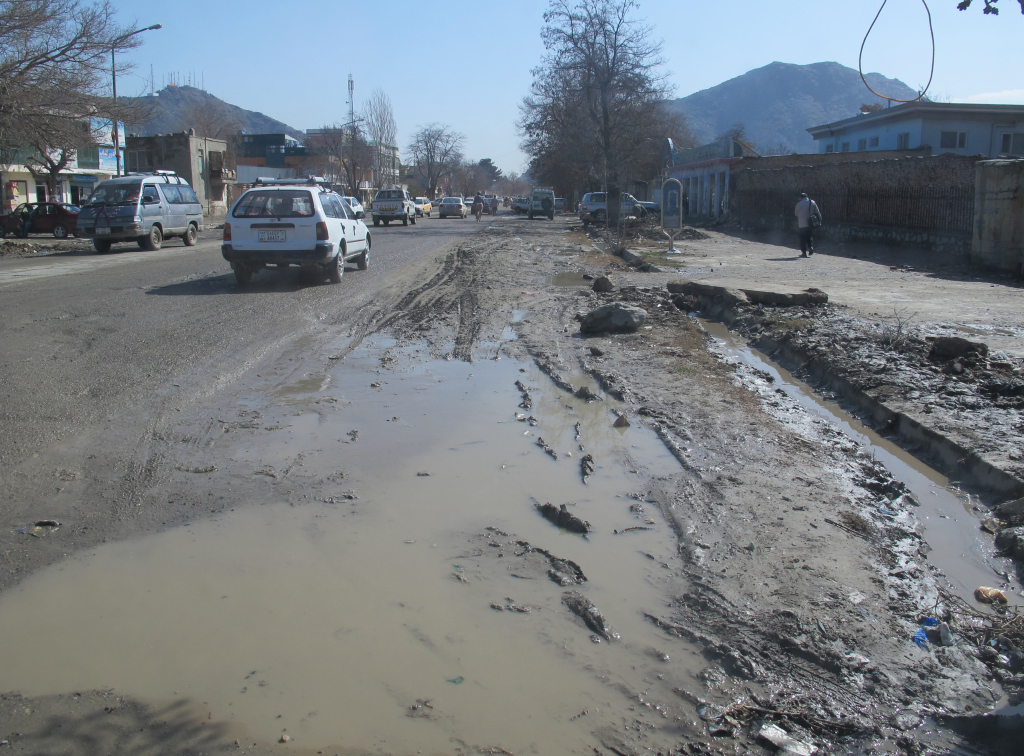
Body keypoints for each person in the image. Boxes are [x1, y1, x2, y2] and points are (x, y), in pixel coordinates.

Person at [794, 192, 821, 257]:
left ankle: (804, 253)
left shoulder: (799, 204)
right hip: (810, 223)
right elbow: (817, 212)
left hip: (802, 224)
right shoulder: (812, 202)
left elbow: (796, 214)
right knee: (809, 237)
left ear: (801, 198)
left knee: (802, 239)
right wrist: (819, 220)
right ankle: (810, 247)